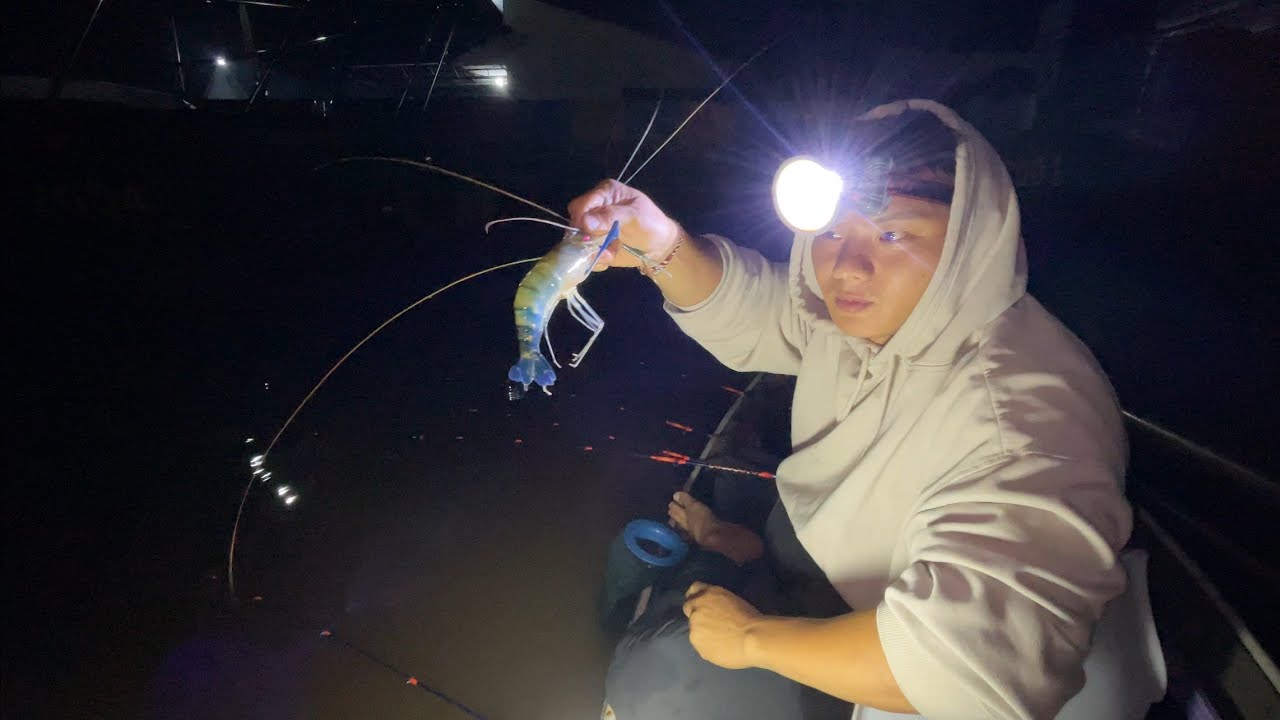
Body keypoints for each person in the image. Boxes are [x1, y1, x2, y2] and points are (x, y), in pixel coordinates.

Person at [572, 100, 1163, 720]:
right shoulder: (870, 317)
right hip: (823, 551)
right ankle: (745, 549)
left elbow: (970, 670)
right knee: (729, 532)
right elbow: (766, 310)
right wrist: (660, 243)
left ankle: (736, 566)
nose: (847, 268)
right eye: (831, 233)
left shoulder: (1029, 420)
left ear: (970, 239)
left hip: (885, 641)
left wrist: (750, 637)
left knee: (661, 673)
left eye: (892, 234)